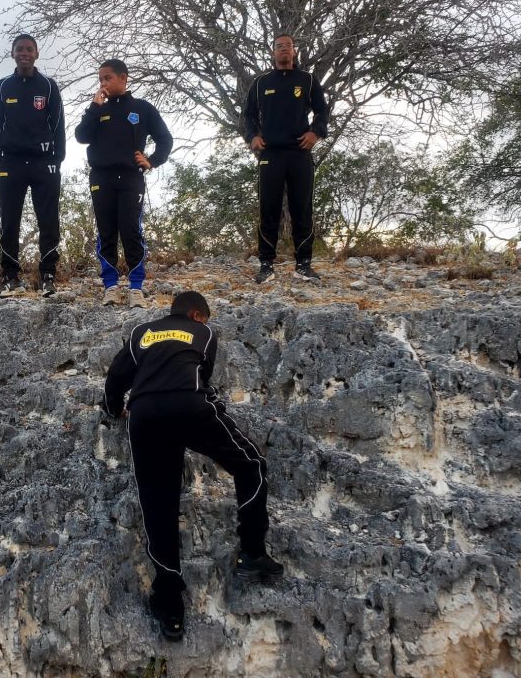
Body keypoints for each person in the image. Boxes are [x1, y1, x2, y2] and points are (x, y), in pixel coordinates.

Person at [103, 291, 282, 641]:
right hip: (189, 407)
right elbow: (203, 376)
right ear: (198, 315)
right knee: (251, 465)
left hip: (144, 414)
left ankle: (170, 604)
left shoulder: (141, 332)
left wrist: (113, 410)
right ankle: (252, 553)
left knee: (159, 503)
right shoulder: (204, 333)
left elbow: (116, 376)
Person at [75, 59, 172, 308]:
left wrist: (152, 160)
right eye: (100, 79)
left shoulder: (142, 108)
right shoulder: (98, 110)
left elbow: (165, 139)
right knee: (106, 231)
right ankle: (110, 286)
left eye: (108, 78)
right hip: (101, 178)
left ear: (123, 78)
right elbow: (81, 136)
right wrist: (94, 108)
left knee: (131, 230)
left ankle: (136, 287)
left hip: (130, 178)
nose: (103, 83)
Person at [242, 33, 329, 284]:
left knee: (302, 208)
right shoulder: (261, 83)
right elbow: (248, 114)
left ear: (294, 52)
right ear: (273, 52)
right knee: (268, 208)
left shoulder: (307, 80)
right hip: (271, 153)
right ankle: (266, 264)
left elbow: (323, 111)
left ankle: (303, 264)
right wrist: (252, 136)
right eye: (279, 46)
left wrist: (315, 132)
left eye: (288, 46)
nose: (284, 50)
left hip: (299, 152)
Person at [0, 34, 66, 298]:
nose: (24, 53)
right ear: (12, 53)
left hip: (43, 162)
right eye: (20, 49)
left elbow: (58, 124)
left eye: (29, 49)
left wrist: (58, 159)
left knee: (49, 220)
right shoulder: (2, 87)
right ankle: (10, 276)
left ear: (36, 54)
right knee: (9, 221)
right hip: (10, 162)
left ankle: (48, 276)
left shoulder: (48, 86)